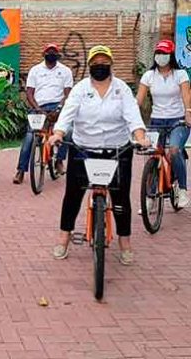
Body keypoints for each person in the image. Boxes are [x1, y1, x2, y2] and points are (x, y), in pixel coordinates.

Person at [49, 45, 150, 266]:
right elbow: (68, 113)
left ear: (110, 65)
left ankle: (125, 244)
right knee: (73, 195)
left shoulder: (121, 89)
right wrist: (57, 133)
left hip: (117, 150)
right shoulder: (80, 89)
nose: (99, 67)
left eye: (104, 63)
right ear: (89, 66)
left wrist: (140, 136)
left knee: (121, 197)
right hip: (84, 149)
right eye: (95, 63)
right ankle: (63, 239)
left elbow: (133, 115)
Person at [136, 39, 191, 209]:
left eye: (165, 54)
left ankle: (182, 190)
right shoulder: (149, 75)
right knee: (153, 156)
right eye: (159, 53)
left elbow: (186, 95)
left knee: (174, 151)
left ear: (171, 56)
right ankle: (150, 197)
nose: (161, 57)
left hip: (177, 121)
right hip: (156, 121)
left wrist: (188, 113)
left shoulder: (180, 74)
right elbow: (138, 99)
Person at [13, 43, 74, 184]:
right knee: (30, 137)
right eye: (48, 51)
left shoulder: (65, 71)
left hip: (58, 107)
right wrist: (38, 109)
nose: (51, 54)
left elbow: (68, 94)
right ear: (43, 54)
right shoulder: (35, 70)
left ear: (58, 55)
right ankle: (20, 171)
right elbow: (29, 93)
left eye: (53, 52)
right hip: (38, 107)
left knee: (68, 131)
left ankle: (59, 160)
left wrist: (59, 108)